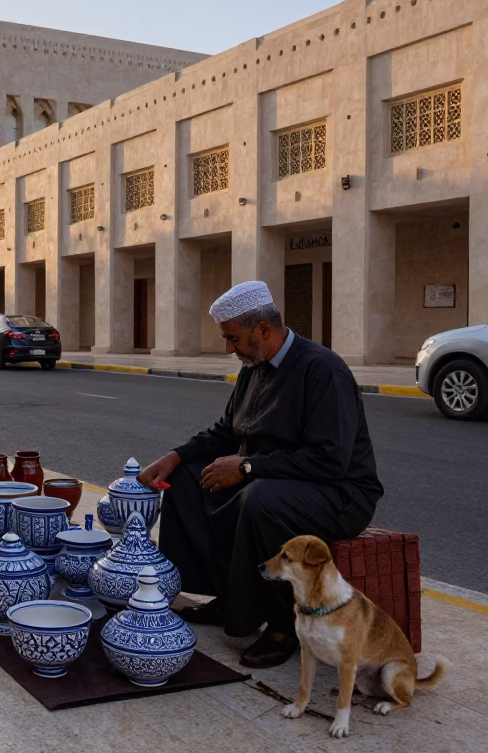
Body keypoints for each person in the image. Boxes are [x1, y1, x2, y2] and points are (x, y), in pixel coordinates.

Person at [138, 280, 383, 669]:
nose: (227, 348)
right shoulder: (255, 367)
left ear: (263, 331)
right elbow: (225, 431)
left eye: (232, 339)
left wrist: (247, 468)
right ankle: (229, 597)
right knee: (187, 480)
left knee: (259, 501)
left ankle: (284, 626)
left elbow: (330, 459)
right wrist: (174, 456)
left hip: (339, 494)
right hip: (271, 480)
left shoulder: (322, 370)